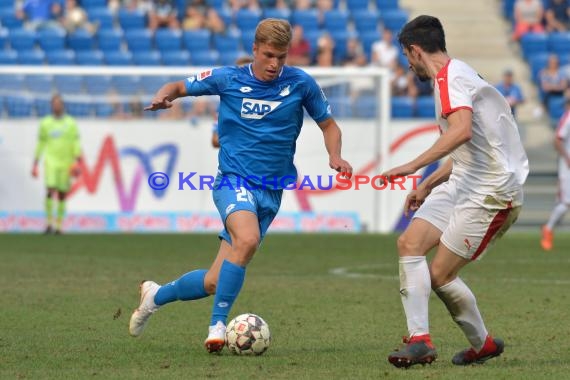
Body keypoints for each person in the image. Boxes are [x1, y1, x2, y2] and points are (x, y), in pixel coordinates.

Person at [128, 18, 353, 353]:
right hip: (233, 181)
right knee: (246, 239)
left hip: (271, 191)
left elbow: (329, 125)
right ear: (254, 50)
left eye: (281, 56)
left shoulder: (301, 83)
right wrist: (164, 97)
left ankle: (155, 296)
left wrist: (335, 155)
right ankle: (217, 327)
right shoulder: (228, 78)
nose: (275, 64)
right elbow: (178, 86)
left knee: (215, 280)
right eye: (268, 55)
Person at [381, 15, 529, 368]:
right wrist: (428, 183)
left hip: (492, 193)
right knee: (409, 243)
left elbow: (460, 131)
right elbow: (471, 144)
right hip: (465, 179)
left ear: (415, 51)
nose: (408, 64)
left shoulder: (451, 79)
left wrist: (412, 165)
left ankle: (483, 344)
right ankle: (420, 340)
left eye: (407, 56)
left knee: (440, 275)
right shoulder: (457, 75)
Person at [31, 94, 82, 235]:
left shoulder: (71, 123)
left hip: (66, 162)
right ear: (51, 105)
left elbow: (75, 143)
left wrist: (78, 161)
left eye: (59, 103)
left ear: (62, 105)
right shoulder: (46, 123)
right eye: (54, 104)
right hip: (51, 161)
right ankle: (48, 224)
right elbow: (41, 144)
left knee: (62, 194)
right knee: (50, 189)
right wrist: (35, 162)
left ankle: (59, 226)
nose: (57, 106)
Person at [541, 98, 570, 251]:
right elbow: (557, 141)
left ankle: (548, 228)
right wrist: (567, 158)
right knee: (566, 203)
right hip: (568, 168)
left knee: (564, 202)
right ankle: (548, 229)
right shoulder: (568, 117)